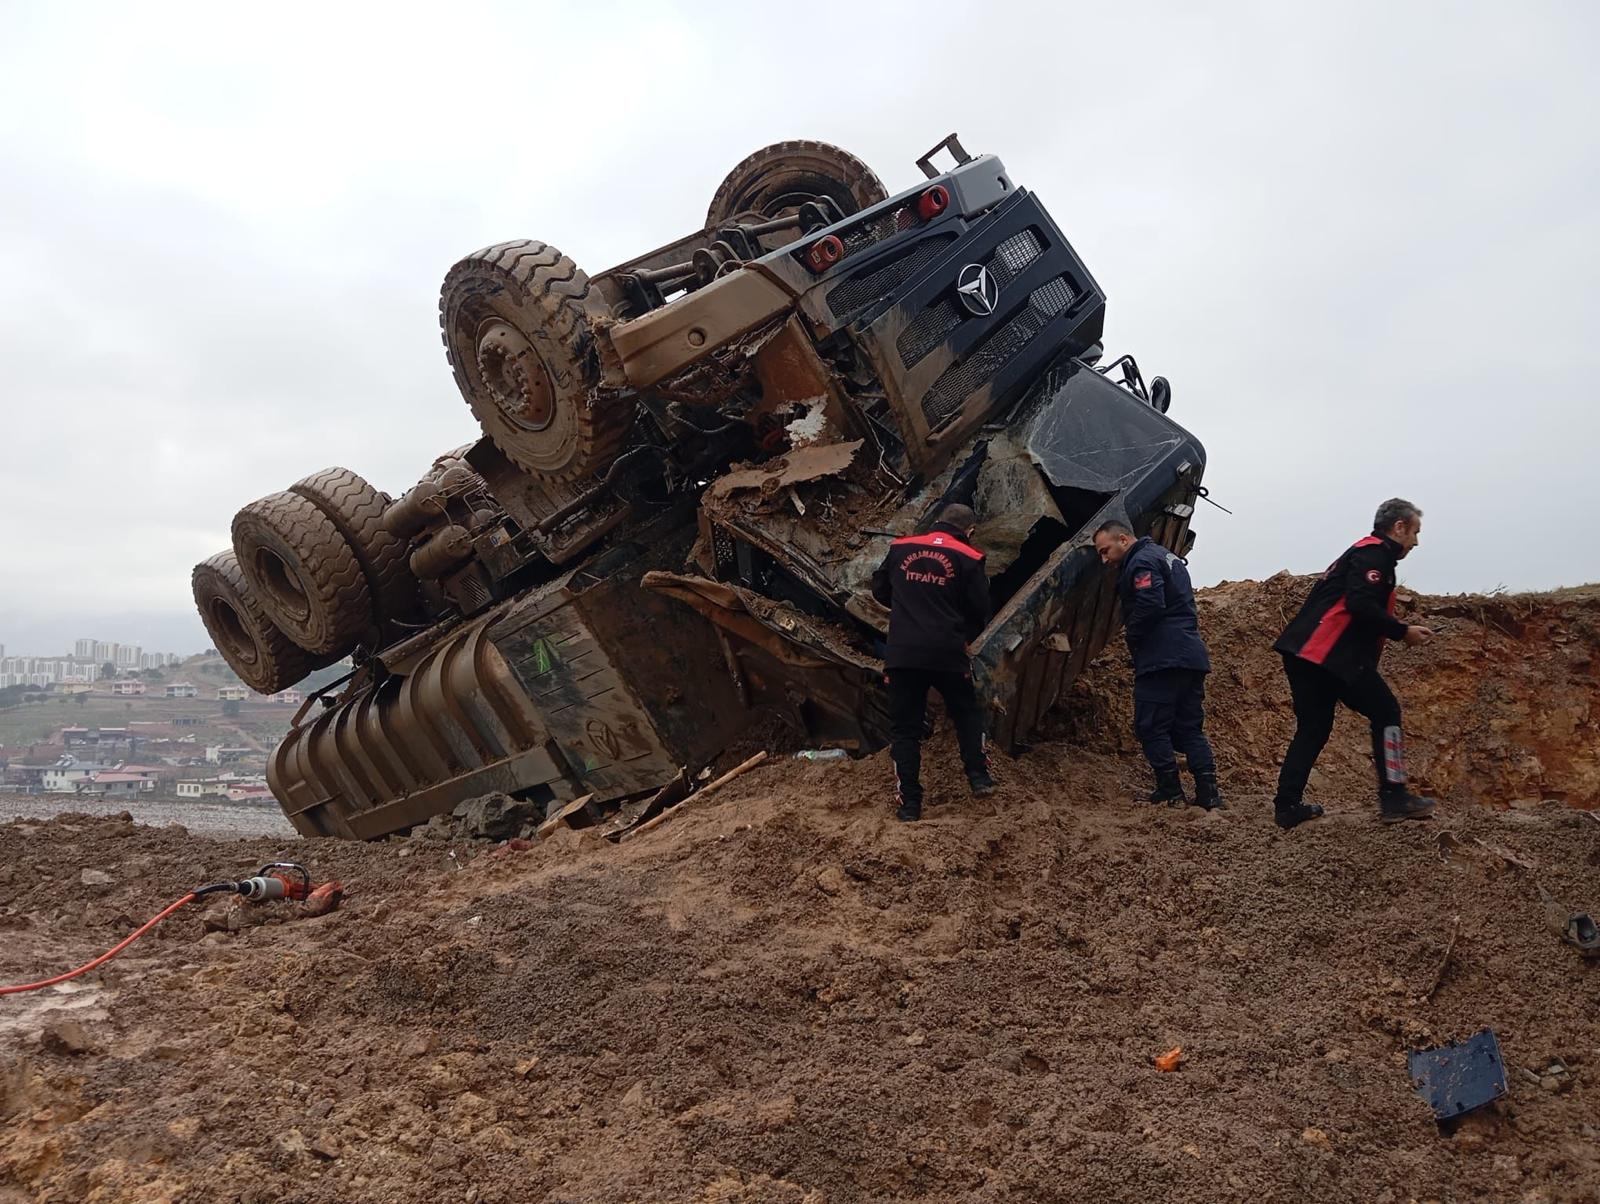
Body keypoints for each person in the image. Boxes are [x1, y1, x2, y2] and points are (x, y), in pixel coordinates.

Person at [1270, 498, 1437, 829]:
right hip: (1330, 656)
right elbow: (1360, 604)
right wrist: (1402, 632)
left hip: (1304, 653)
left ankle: (1287, 806)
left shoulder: (1359, 553)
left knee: (1313, 728)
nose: (1416, 542)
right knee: (1386, 711)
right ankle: (1395, 797)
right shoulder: (1375, 555)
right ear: (1398, 527)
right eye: (1415, 532)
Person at [871, 503, 997, 822]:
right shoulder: (969, 558)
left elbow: (879, 590)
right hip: (947, 653)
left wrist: (908, 604)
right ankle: (978, 777)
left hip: (902, 655)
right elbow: (980, 609)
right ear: (969, 532)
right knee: (967, 713)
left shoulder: (901, 547)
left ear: (937, 522)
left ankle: (910, 805)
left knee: (905, 731)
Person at [1093, 519, 1223, 810]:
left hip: (1162, 658)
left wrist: (1133, 636)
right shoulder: (1166, 555)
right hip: (1190, 656)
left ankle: (1170, 791)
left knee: (1150, 726)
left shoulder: (1141, 562)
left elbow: (1150, 604)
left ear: (1123, 539)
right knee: (1189, 728)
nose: (1104, 559)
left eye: (1105, 551)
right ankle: (1209, 794)